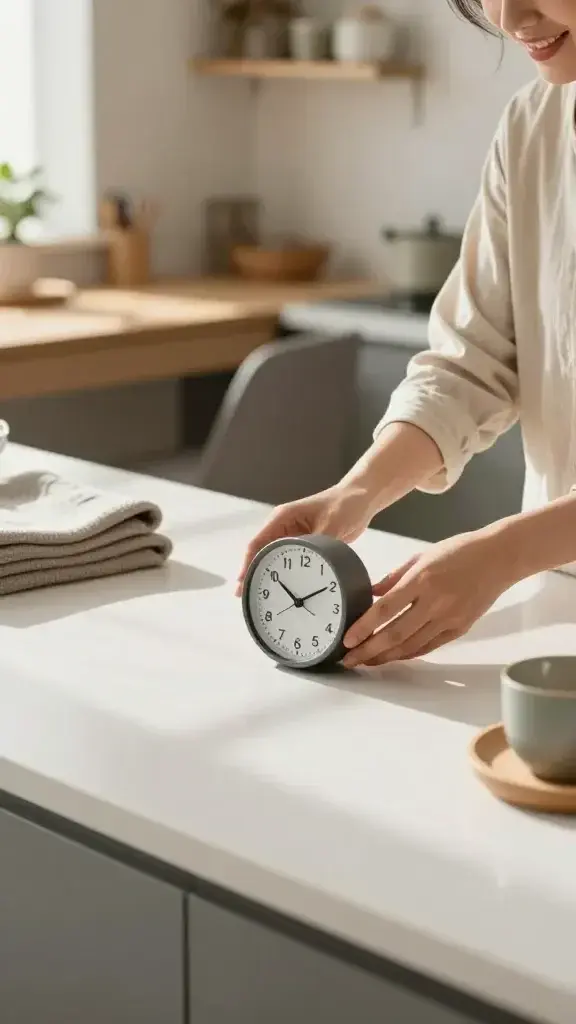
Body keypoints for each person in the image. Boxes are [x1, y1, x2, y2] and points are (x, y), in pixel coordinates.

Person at [238, 0, 576, 668]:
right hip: (559, 601)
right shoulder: (532, 126)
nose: (509, 17)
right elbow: (471, 362)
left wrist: (503, 553)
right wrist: (358, 490)